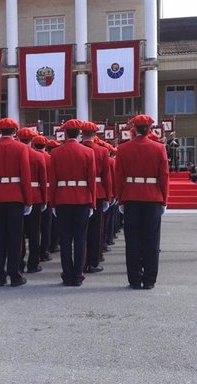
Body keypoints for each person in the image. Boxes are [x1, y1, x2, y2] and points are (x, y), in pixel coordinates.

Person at [115, 115, 169, 288]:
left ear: (134, 130)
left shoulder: (123, 149)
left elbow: (119, 177)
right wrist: (164, 200)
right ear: (149, 129)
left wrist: (120, 198)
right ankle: (149, 279)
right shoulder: (159, 148)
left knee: (132, 240)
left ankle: (135, 279)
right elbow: (164, 176)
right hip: (153, 197)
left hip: (131, 196)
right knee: (152, 240)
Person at [0, 118, 32, 287]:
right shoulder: (21, 148)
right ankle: (14, 274)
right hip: (16, 196)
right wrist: (28, 200)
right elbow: (25, 176)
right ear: (15, 131)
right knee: (15, 238)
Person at [49, 119, 96, 287]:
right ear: (79, 134)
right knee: (80, 238)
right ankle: (77, 274)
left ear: (66, 133)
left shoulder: (56, 152)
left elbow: (52, 181)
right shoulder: (88, 152)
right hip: (82, 198)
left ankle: (67, 273)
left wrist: (52, 202)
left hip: (62, 198)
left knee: (65, 238)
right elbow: (91, 180)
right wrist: (92, 202)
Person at [81, 122, 112, 273]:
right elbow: (106, 176)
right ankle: (93, 260)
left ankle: (82, 260)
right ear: (95, 135)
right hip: (98, 193)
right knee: (96, 229)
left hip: (80, 192)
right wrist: (108, 195)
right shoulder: (102, 151)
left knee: (80, 230)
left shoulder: (79, 149)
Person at [17, 127, 47, 273]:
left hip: (18, 194)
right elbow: (43, 180)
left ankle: (19, 262)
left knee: (19, 232)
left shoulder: (15, 154)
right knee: (34, 232)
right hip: (35, 196)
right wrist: (44, 199)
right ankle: (33, 263)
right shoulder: (37, 156)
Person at [32, 135, 53, 263]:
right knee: (46, 226)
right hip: (48, 194)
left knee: (33, 227)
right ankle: (44, 251)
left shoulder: (31, 156)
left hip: (33, 193)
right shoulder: (50, 158)